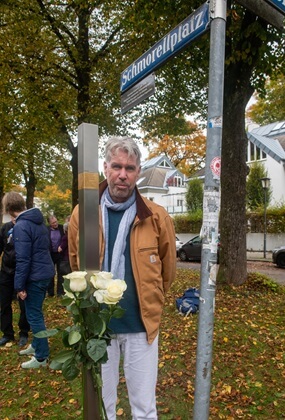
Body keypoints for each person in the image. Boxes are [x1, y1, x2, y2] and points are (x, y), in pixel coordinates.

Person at [68, 137, 176, 419]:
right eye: (116, 166)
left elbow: (168, 270)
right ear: (105, 168)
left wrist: (153, 299)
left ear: (138, 172)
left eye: (129, 168)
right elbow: (74, 262)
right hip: (98, 329)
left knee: (144, 407)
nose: (122, 174)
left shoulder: (156, 217)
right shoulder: (84, 214)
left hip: (141, 326)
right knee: (103, 407)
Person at [2, 192, 55, 369]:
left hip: (35, 276)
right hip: (43, 273)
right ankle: (36, 345)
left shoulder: (22, 225)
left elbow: (23, 259)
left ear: (9, 209)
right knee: (35, 313)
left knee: (34, 315)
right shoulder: (37, 221)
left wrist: (19, 286)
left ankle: (41, 357)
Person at [0, 217, 30, 347]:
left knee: (24, 304)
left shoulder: (26, 226)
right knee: (4, 304)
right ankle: (7, 334)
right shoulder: (5, 228)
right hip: (6, 271)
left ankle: (24, 332)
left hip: (22, 272)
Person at [47, 215, 64, 297]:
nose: (55, 224)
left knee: (61, 273)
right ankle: (50, 292)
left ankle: (60, 292)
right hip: (50, 254)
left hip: (60, 254)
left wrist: (62, 246)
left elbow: (65, 239)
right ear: (49, 223)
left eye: (56, 221)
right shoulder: (46, 230)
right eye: (53, 223)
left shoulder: (62, 228)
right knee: (50, 273)